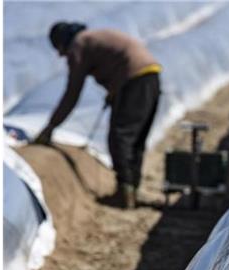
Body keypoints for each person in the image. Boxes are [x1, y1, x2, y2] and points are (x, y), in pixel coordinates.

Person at [35, 22, 162, 209]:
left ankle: (124, 193)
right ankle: (131, 189)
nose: (62, 55)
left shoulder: (78, 46)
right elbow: (118, 62)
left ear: (62, 43)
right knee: (136, 139)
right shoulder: (93, 37)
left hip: (134, 82)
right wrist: (114, 94)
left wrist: (51, 127)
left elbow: (72, 93)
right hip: (151, 77)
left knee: (120, 136)